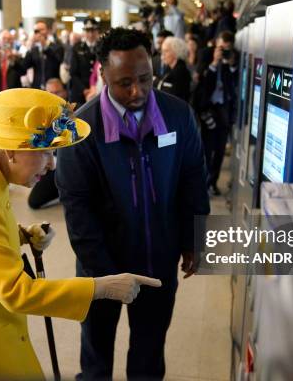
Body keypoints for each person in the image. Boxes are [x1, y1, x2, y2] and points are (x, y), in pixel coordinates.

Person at [0, 87, 161, 380]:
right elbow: (16, 292)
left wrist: (18, 235)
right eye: (45, 151)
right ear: (10, 149)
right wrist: (101, 287)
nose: (52, 164)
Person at [56, 28, 210, 380]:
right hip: (101, 267)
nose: (137, 91)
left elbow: (192, 180)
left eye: (145, 78)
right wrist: (105, 275)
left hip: (158, 260)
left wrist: (193, 239)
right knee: (96, 359)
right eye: (124, 83)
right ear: (103, 74)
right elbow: (78, 208)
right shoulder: (80, 129)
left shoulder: (178, 116)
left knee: (149, 355)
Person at [196, 30, 239, 195]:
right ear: (216, 43)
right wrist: (214, 63)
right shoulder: (206, 54)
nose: (224, 50)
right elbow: (202, 82)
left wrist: (232, 64)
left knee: (220, 149)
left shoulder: (231, 58)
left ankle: (213, 182)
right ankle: (204, 181)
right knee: (207, 148)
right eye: (222, 47)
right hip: (208, 108)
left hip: (224, 108)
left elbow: (234, 82)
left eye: (227, 47)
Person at [27, 78, 67, 210]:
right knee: (34, 201)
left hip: (66, 166)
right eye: (51, 93)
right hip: (50, 165)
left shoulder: (75, 114)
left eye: (58, 92)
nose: (55, 96)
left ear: (65, 93)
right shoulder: (40, 116)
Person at [24, 19, 64, 90]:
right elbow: (24, 67)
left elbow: (58, 61)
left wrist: (45, 46)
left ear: (47, 31)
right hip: (37, 87)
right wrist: (29, 48)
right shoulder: (34, 49)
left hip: (53, 87)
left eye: (41, 30)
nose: (39, 33)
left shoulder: (56, 46)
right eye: (36, 31)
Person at [69, 18, 100, 105]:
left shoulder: (102, 47)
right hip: (80, 92)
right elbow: (73, 73)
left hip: (98, 90)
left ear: (97, 31)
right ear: (84, 32)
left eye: (93, 31)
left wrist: (95, 88)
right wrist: (84, 90)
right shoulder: (77, 48)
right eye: (87, 31)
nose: (90, 34)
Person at [156, 36, 191, 102]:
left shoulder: (181, 72)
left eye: (166, 51)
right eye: (162, 51)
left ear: (176, 52)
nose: (163, 54)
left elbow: (174, 96)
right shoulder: (169, 69)